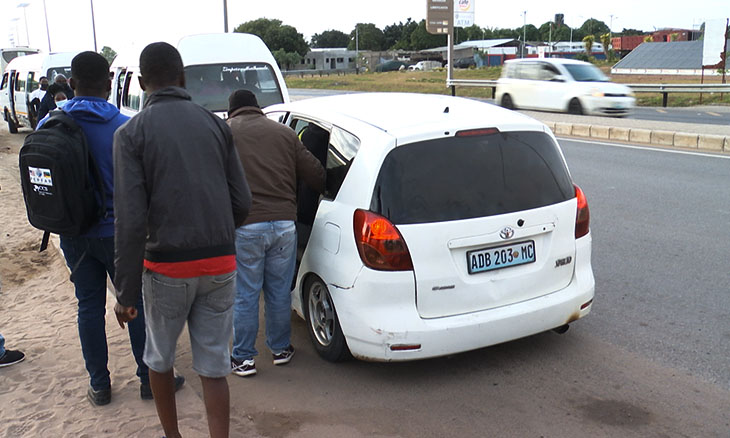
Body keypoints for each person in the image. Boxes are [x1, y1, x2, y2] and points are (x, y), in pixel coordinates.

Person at [113, 42, 251, 438]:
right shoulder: (215, 125)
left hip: (166, 268)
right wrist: (219, 235)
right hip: (220, 264)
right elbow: (241, 201)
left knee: (159, 359)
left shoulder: (131, 133)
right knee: (213, 365)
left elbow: (131, 221)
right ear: (183, 78)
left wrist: (124, 293)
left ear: (141, 83)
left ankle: (173, 436)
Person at [38, 51, 178, 406]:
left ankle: (99, 384)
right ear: (110, 83)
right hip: (121, 235)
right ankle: (149, 379)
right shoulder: (125, 125)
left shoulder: (49, 124)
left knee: (88, 306)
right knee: (134, 304)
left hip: (73, 234)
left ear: (71, 84)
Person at [227, 89, 325, 377]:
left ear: (232, 111)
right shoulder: (284, 133)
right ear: (257, 107)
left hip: (245, 226)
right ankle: (280, 349)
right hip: (284, 224)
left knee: (246, 293)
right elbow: (316, 175)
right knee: (279, 292)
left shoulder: (223, 133)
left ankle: (243, 358)